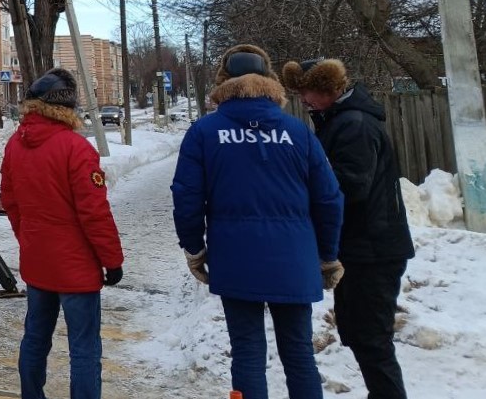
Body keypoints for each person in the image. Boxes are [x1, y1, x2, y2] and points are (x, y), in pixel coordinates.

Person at [171, 44, 344, 399]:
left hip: (235, 259)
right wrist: (327, 255)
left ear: (224, 82)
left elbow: (186, 196)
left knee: (247, 353)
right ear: (270, 82)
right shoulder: (298, 132)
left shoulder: (205, 132)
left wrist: (195, 249)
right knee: (298, 353)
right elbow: (329, 199)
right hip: (294, 259)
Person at [282, 58, 414, 399]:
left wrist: (300, 186)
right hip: (362, 247)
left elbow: (351, 185)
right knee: (359, 333)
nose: (304, 100)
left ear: (327, 89)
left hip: (373, 249)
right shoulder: (338, 121)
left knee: (371, 338)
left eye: (307, 92)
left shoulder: (353, 124)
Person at [0, 67, 123, 399]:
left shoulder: (15, 144)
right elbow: (94, 213)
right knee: (84, 348)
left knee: (35, 337)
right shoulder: (75, 148)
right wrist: (112, 261)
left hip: (38, 261)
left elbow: (10, 200)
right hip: (76, 268)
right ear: (68, 108)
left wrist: (27, 237)